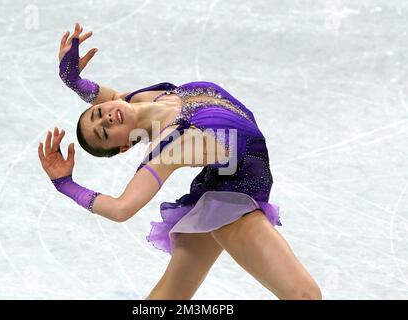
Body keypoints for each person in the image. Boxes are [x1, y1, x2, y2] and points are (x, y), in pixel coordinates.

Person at [38, 23, 322, 300]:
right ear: (125, 145)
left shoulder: (145, 97)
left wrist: (73, 81)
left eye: (98, 113)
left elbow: (110, 95)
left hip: (218, 184)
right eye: (104, 132)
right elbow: (121, 208)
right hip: (233, 202)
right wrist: (65, 184)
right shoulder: (168, 147)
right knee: (305, 296)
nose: (107, 117)